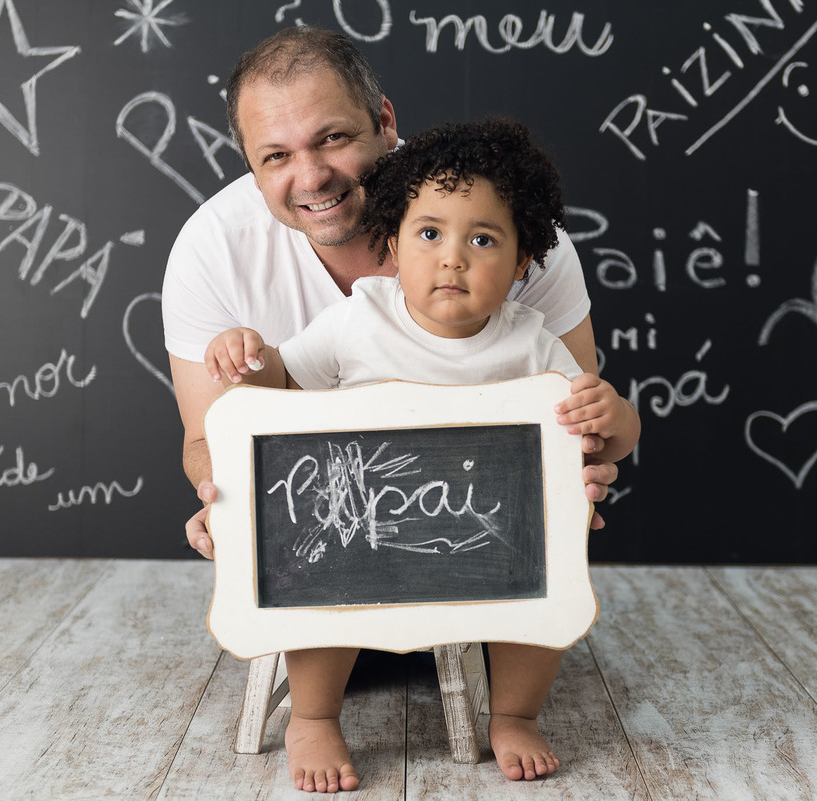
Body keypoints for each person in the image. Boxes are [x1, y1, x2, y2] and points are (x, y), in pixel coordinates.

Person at [161, 26, 623, 792]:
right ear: (250, 165)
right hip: (331, 550)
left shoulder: (515, 236)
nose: (310, 175)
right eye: (275, 156)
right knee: (315, 565)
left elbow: (575, 412)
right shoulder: (215, 248)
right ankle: (314, 714)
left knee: (539, 603)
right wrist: (228, 503)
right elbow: (210, 433)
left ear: (384, 117)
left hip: (476, 546)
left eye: (333, 137)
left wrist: (580, 467)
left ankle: (513, 710)